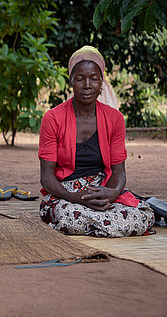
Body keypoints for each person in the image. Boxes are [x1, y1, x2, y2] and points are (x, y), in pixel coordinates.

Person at [38, 46, 155, 237]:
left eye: (93, 78)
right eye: (80, 78)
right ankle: (106, 226)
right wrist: (76, 198)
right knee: (69, 215)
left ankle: (96, 225)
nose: (87, 85)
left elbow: (119, 172)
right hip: (66, 194)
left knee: (143, 214)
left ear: (102, 83)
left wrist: (112, 193)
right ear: (71, 81)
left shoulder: (114, 119)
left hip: (102, 189)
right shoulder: (53, 118)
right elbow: (46, 176)